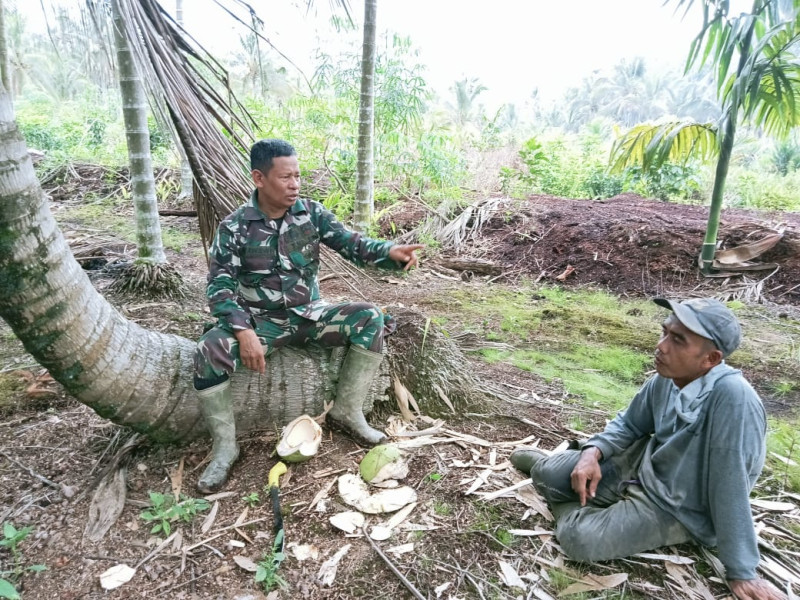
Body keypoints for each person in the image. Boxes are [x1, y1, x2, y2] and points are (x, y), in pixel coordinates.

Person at [510, 298, 787, 600]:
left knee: (580, 540)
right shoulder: (668, 378)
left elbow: (730, 485)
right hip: (645, 465)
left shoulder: (732, 400)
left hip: (679, 505)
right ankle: (554, 475)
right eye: (664, 332)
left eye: (677, 340)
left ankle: (569, 503)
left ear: (710, 358)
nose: (661, 346)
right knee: (550, 474)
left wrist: (742, 571)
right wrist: (592, 452)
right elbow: (630, 423)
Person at [193, 139, 423, 493]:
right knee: (209, 349)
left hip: (310, 316)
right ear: (259, 178)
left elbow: (351, 243)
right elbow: (219, 287)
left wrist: (389, 251)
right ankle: (225, 448)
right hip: (262, 322)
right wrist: (242, 330)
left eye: (298, 176)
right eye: (285, 177)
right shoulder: (235, 227)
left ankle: (347, 412)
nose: (295, 184)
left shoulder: (310, 213)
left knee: (369, 318)